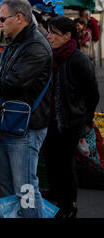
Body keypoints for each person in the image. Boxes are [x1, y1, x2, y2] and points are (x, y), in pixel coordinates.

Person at [0, 0, 52, 218]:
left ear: (19, 18)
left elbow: (15, 82)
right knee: (9, 187)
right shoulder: (15, 42)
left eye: (2, 19)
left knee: (26, 188)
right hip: (10, 124)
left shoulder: (36, 46)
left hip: (26, 128)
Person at [44, 16, 99, 218]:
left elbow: (92, 94)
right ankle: (56, 193)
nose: (49, 36)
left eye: (53, 33)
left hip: (71, 122)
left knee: (65, 164)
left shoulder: (78, 60)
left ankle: (69, 206)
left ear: (68, 36)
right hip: (51, 120)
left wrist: (86, 120)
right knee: (51, 160)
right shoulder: (52, 55)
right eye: (48, 32)